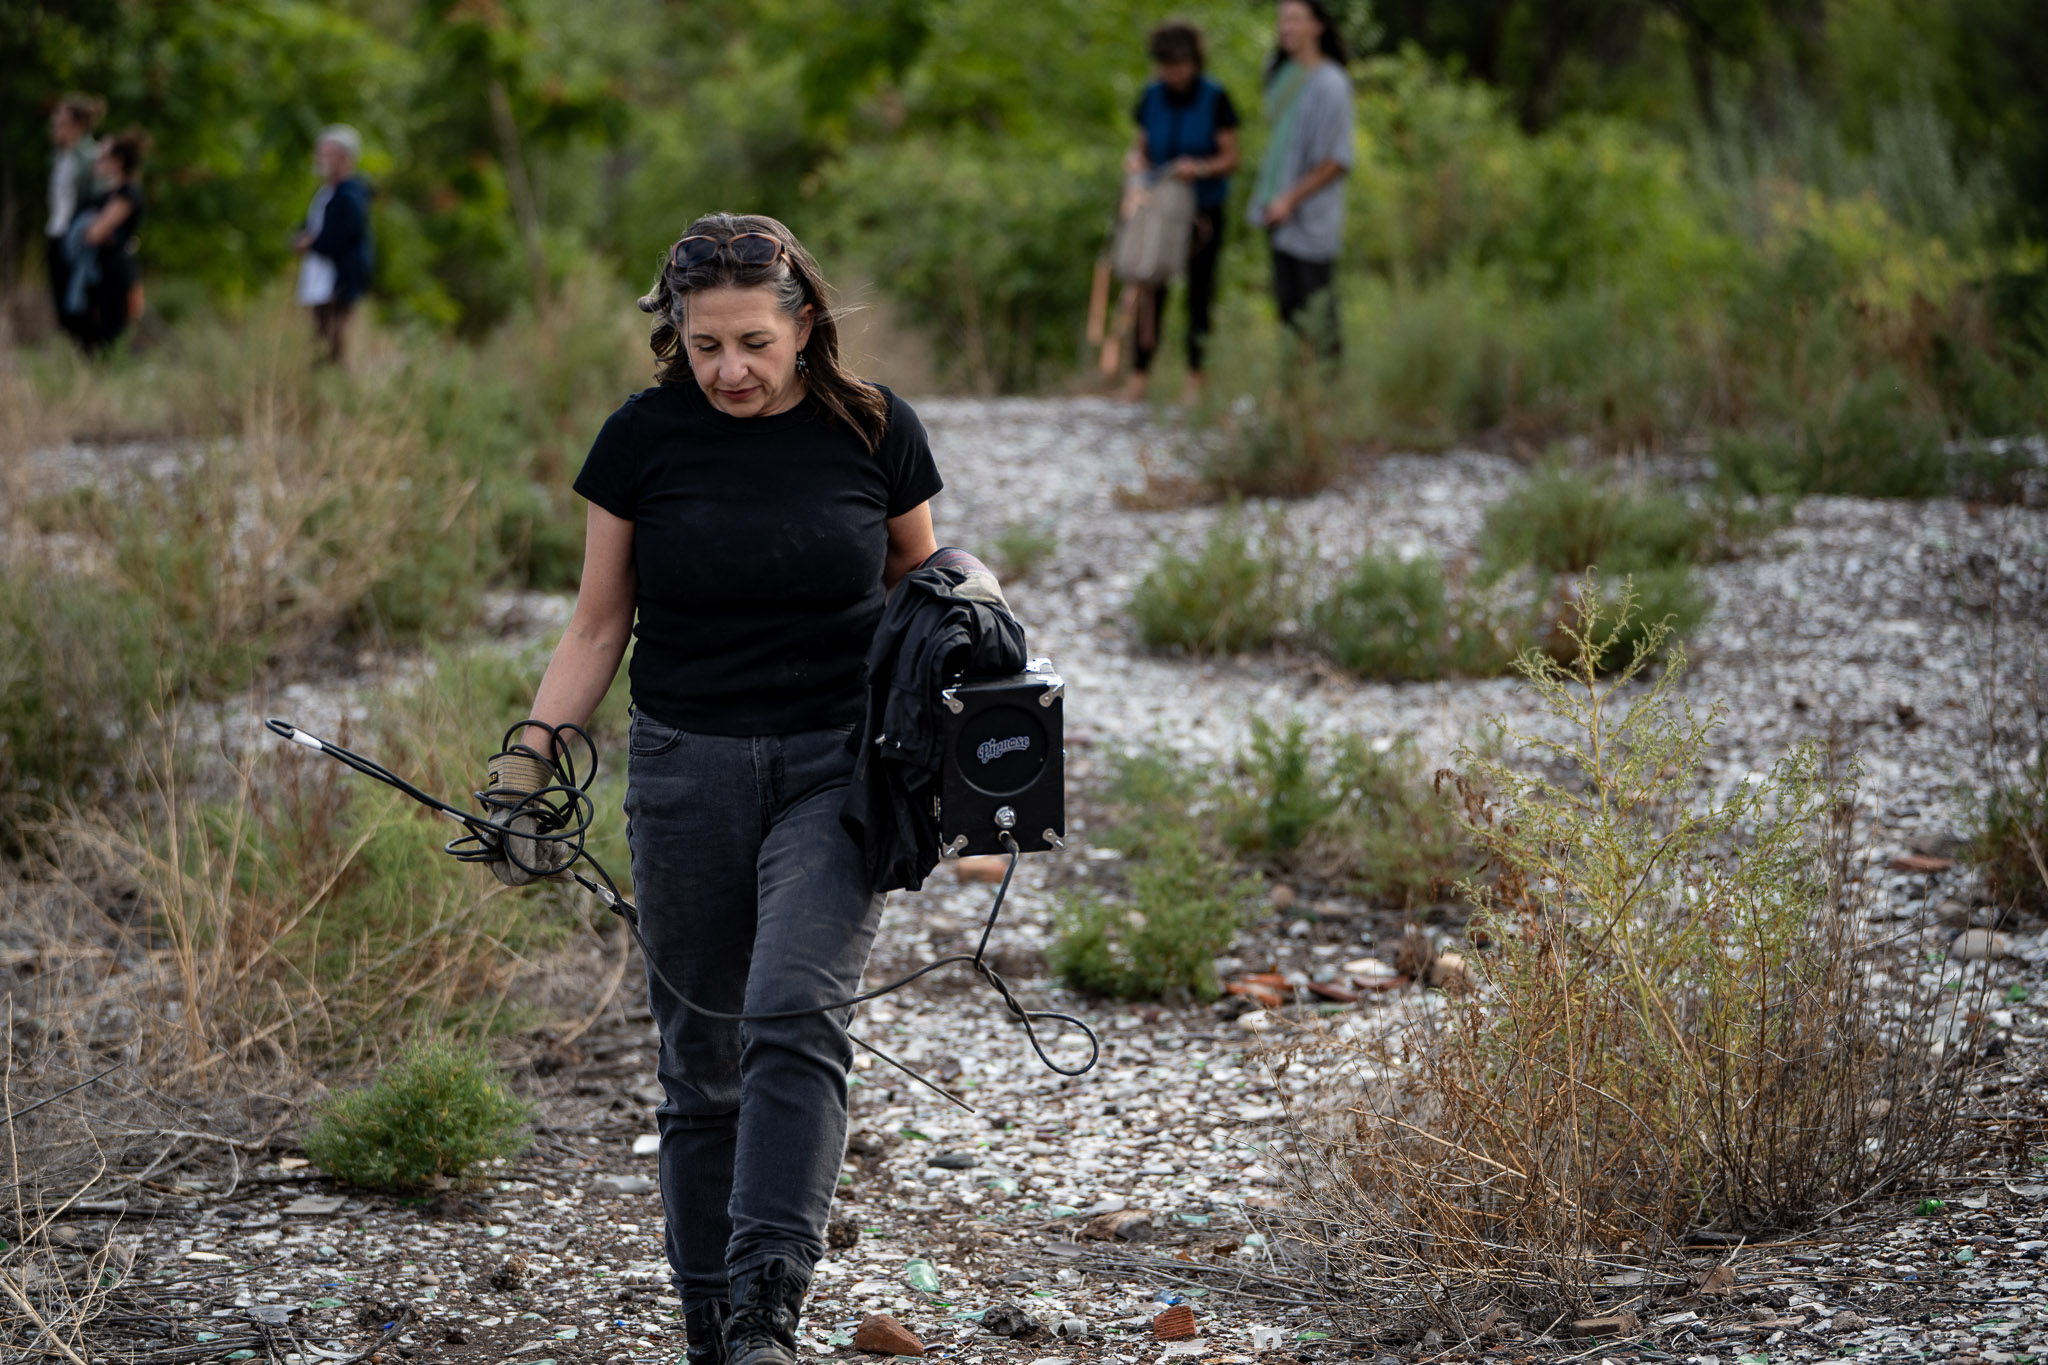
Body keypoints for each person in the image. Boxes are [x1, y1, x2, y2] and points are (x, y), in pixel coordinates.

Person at [492, 213, 950, 1365]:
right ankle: (710, 1334)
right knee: (700, 1061)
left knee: (792, 1011)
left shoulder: (874, 428)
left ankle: (763, 1312)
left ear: (804, 323)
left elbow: (924, 576)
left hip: (835, 769)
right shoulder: (641, 440)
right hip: (684, 770)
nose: (729, 370)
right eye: (705, 346)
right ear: (675, 337)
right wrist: (523, 768)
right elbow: (596, 626)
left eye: (753, 343)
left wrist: (976, 611)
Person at [1122, 20, 1240, 404]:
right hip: (1158, 208)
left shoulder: (1214, 96)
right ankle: (1138, 379)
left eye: (1178, 65)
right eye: (1165, 65)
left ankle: (1195, 380)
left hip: (1202, 210)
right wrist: (1135, 161)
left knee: (1199, 294)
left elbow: (1231, 158)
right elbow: (1141, 146)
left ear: (1193, 61)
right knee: (1149, 287)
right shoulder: (1152, 95)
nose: (1171, 73)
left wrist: (1199, 168)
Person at [1246, 0, 1355, 361]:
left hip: (1311, 216)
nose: (1286, 28)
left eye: (1294, 19)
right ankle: (1293, 385)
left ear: (1318, 25)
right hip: (1275, 211)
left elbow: (1337, 160)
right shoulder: (1280, 72)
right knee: (1287, 310)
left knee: (1319, 310)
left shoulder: (1332, 83)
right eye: (1282, 20)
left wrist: (1291, 199)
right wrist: (1276, 200)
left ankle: (1329, 386)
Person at [293, 125, 373, 364]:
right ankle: (326, 382)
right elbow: (312, 226)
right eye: (321, 153)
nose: (322, 159)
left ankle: (335, 383)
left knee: (333, 342)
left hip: (337, 281)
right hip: (321, 279)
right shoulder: (328, 192)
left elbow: (339, 239)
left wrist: (310, 243)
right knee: (323, 339)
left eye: (328, 153)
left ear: (346, 158)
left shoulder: (349, 196)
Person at [63, 128, 146, 355]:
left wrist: (90, 226)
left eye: (103, 157)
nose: (97, 162)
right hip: (99, 269)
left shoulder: (128, 194)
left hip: (115, 271)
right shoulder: (105, 195)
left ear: (117, 162)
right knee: (92, 332)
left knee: (112, 331)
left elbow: (95, 234)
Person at [45, 94, 104, 346]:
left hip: (77, 240)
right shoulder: (60, 156)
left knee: (80, 304)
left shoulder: (92, 156)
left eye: (62, 123)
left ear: (78, 125)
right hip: (55, 233)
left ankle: (90, 356)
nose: (56, 128)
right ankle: (72, 358)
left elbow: (100, 201)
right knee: (62, 305)